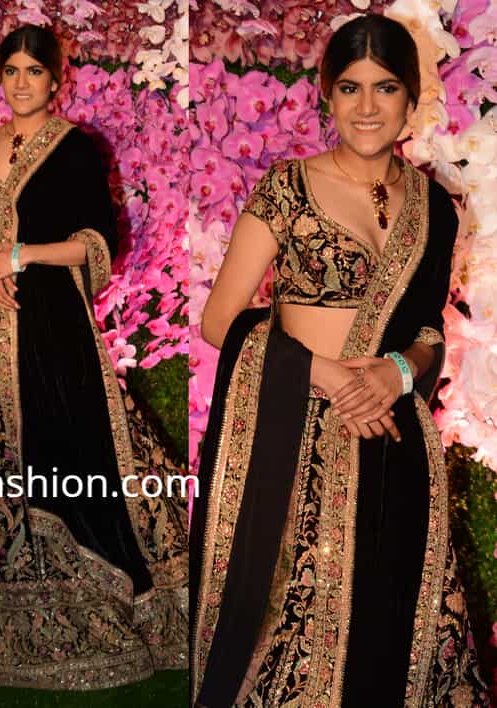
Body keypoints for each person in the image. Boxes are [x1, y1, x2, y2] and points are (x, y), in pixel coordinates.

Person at [189, 14, 489, 707]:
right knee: (289, 626)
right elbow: (218, 320)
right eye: (350, 88)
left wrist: (398, 372)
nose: (367, 107)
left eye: (386, 88)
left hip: (392, 431)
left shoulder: (435, 207)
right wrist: (324, 375)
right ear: (327, 94)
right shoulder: (288, 188)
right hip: (295, 432)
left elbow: (428, 330)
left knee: (391, 618)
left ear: (412, 98)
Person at [0, 24, 189, 689]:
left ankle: (85, 584)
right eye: (12, 70)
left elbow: (98, 242)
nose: (21, 83)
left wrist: (19, 257)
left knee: (63, 443)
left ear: (56, 80)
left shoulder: (75, 147)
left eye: (34, 71)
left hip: (47, 313)